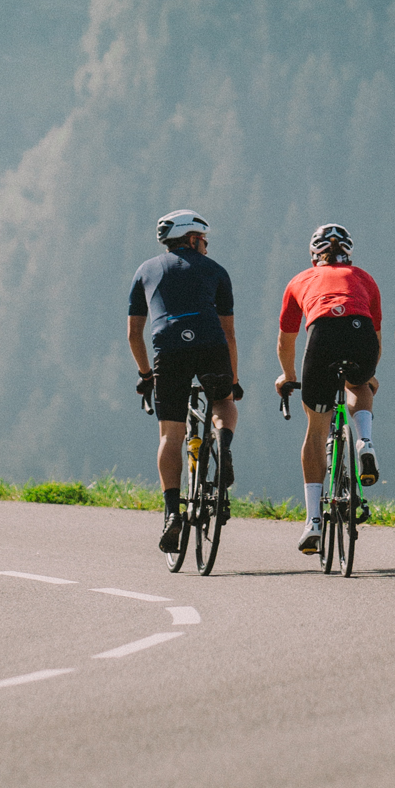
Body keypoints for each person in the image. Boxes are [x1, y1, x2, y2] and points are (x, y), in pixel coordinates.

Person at [127, 209, 240, 556]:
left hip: (168, 350)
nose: (206, 246)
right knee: (223, 402)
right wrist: (233, 380)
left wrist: (147, 375)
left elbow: (134, 334)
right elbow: (228, 332)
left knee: (170, 435)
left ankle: (172, 511)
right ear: (193, 238)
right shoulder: (216, 270)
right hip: (210, 344)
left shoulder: (145, 270)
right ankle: (223, 445)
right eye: (204, 240)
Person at [275, 222, 381, 557]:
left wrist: (287, 375)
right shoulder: (363, 278)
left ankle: (313, 522)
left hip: (322, 334)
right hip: (359, 330)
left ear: (314, 255)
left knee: (316, 428)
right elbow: (375, 335)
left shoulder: (299, 280)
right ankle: (364, 442)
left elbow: (286, 341)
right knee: (359, 385)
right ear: (348, 253)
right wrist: (369, 373)